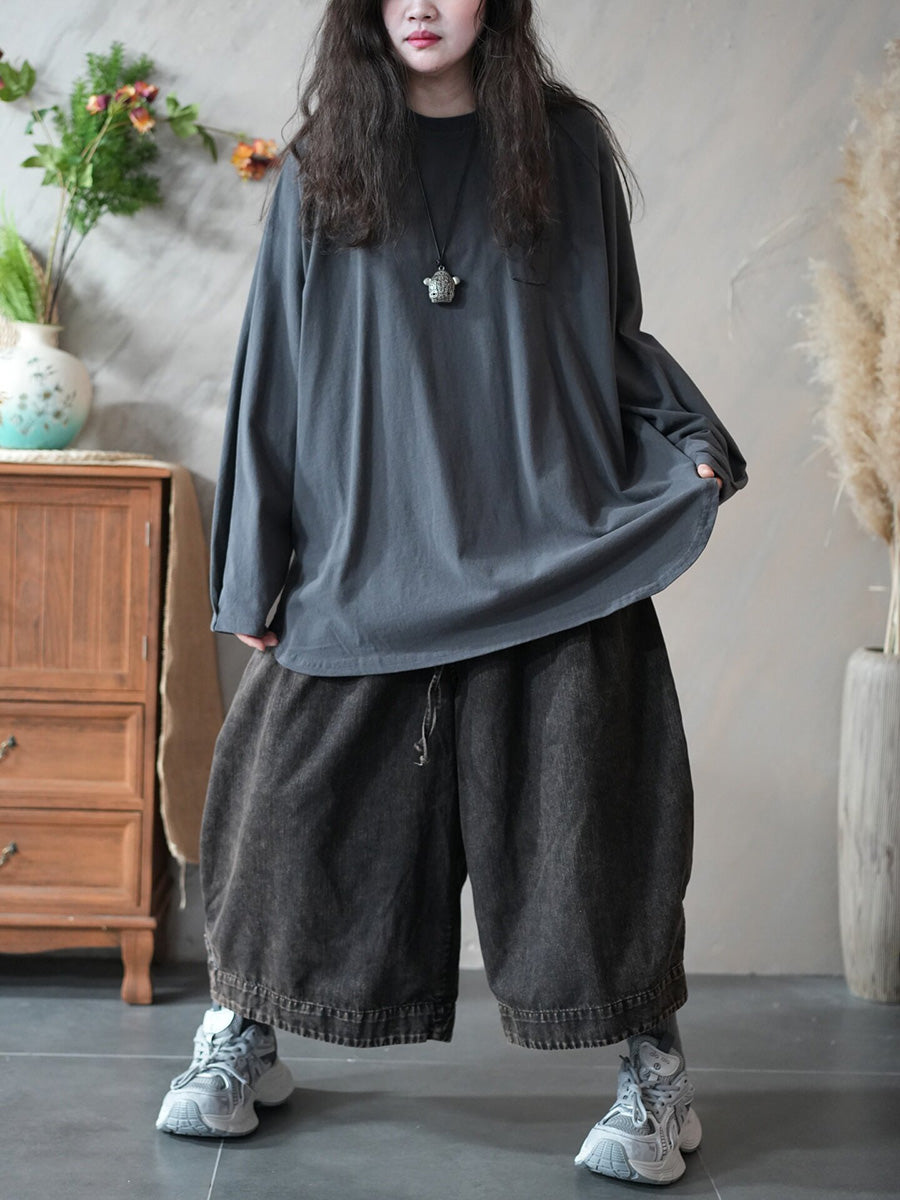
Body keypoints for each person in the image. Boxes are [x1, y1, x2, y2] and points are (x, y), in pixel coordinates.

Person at [155, 0, 748, 1187]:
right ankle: (245, 1030)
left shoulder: (565, 148)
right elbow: (275, 370)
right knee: (283, 815)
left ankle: (653, 1074)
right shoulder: (324, 164)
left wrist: (687, 439)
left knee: (591, 832)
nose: (422, 4)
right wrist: (255, 570)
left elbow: (608, 333)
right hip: (373, 551)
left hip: (552, 544)